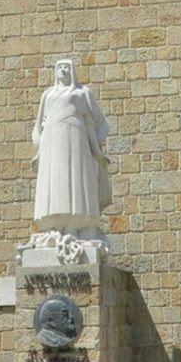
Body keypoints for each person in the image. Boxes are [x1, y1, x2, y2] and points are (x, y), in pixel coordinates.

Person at [32, 59, 111, 240]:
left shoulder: (82, 93)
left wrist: (97, 151)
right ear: (55, 71)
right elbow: (41, 127)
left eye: (66, 67)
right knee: (55, 180)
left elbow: (94, 124)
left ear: (72, 70)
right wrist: (40, 152)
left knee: (77, 180)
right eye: (60, 67)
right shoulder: (48, 95)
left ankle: (79, 227)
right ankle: (56, 226)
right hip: (53, 143)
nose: (63, 70)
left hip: (76, 142)